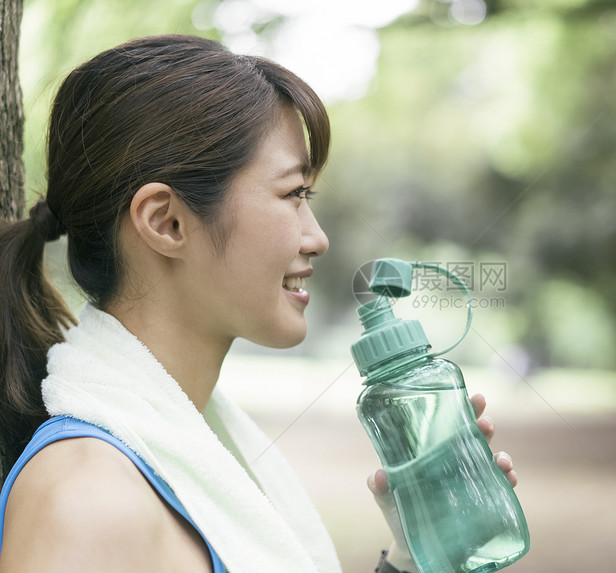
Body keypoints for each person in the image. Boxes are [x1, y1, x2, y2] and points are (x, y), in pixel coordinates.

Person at [0, 35, 517, 572]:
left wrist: (411, 561)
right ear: (166, 222)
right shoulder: (85, 502)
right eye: (294, 194)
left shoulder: (197, 450)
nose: (316, 238)